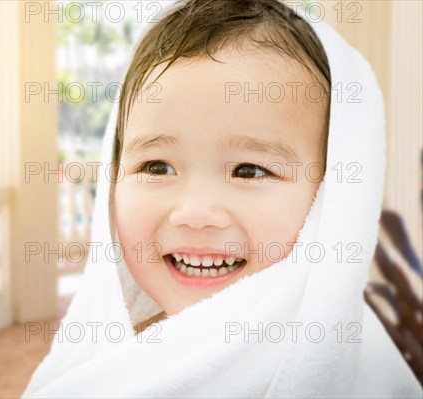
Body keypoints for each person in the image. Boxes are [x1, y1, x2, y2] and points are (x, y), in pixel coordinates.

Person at [22, 1, 423, 397]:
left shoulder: (362, 374)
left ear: (331, 198)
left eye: (249, 170)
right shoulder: (101, 365)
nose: (195, 213)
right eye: (157, 167)